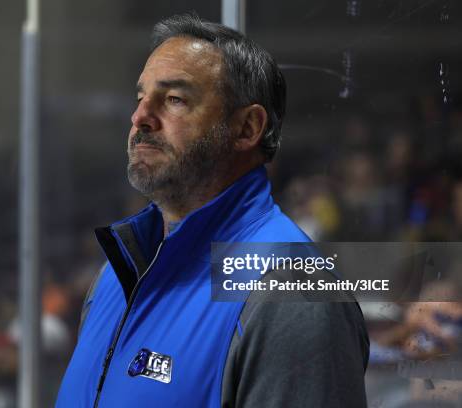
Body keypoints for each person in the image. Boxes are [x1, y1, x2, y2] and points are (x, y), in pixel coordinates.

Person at [55, 14, 369, 408]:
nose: (140, 118)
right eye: (140, 98)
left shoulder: (291, 294)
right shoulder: (117, 275)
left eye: (174, 100)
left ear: (247, 128)